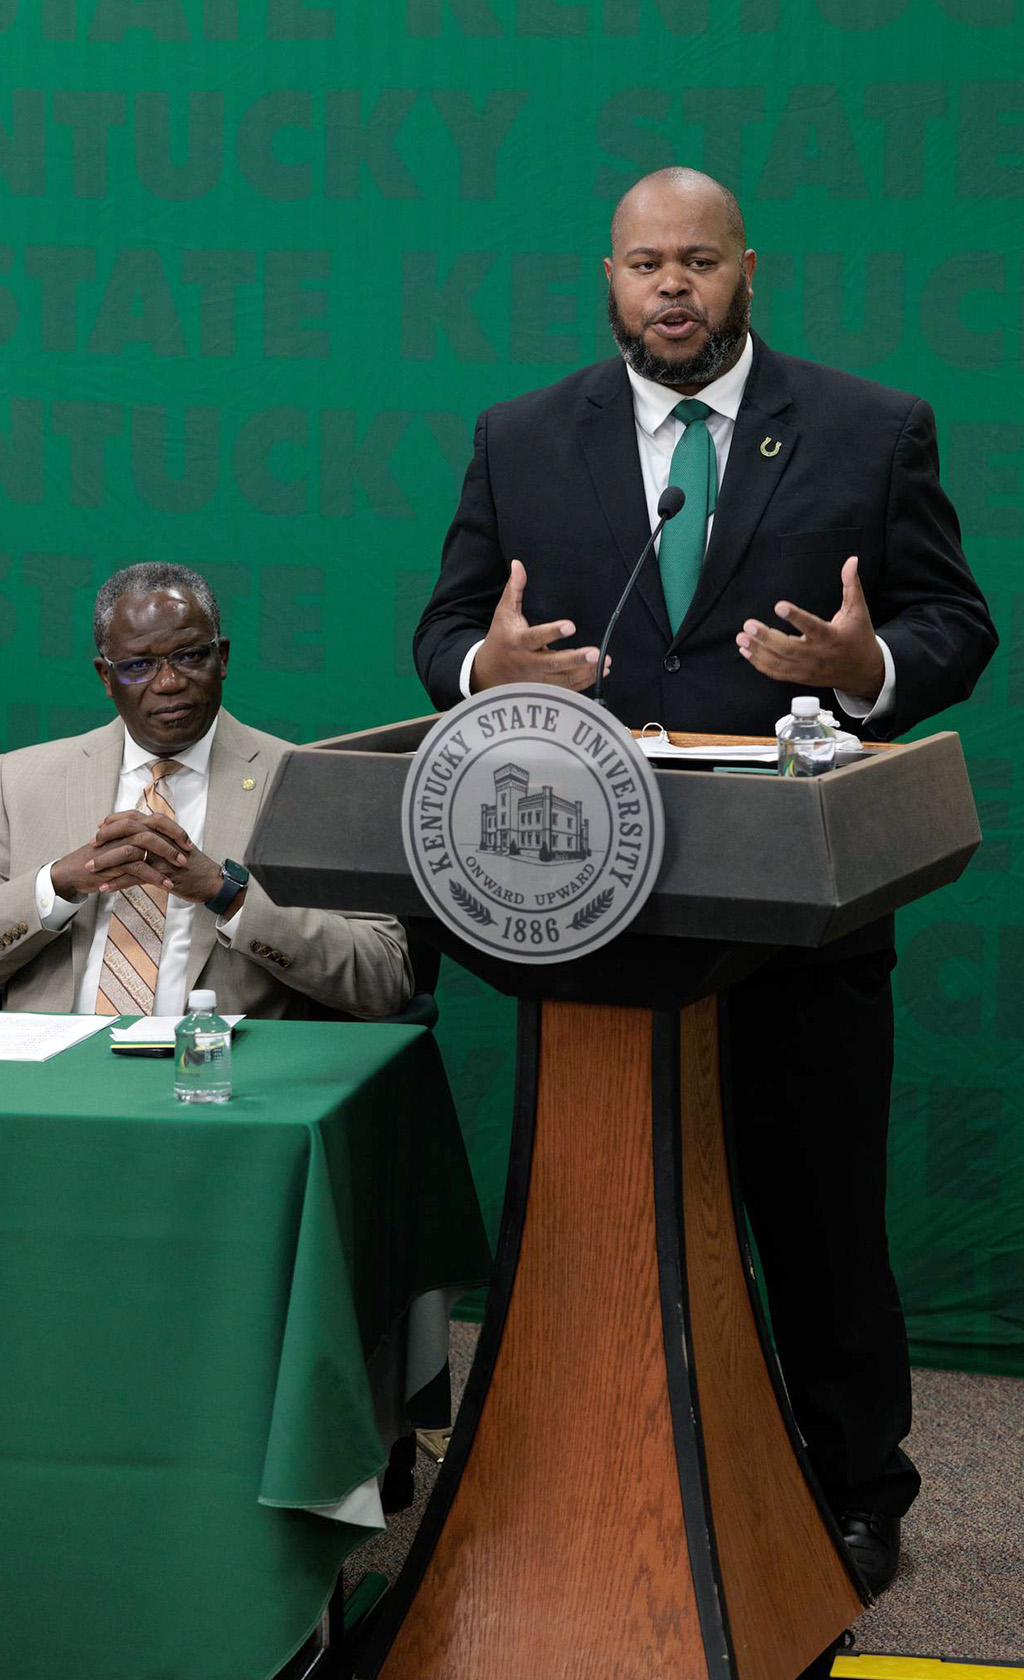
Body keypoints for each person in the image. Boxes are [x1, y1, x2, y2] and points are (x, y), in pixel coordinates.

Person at [413, 168, 997, 1593]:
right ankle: (586, 1477)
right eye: (644, 264)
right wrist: (493, 666)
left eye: (698, 261)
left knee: (818, 1220)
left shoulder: (869, 429)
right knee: (602, 1221)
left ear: (747, 271)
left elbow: (953, 622)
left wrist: (865, 666)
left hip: (798, 913)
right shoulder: (520, 437)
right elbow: (445, 633)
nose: (671, 286)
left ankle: (855, 1490)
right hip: (586, 911)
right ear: (608, 280)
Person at [0, 563, 412, 1020]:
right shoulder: (18, 781)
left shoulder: (307, 783)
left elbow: (384, 978)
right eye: (138, 666)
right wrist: (57, 884)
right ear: (105, 677)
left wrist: (225, 892)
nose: (169, 683)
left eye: (190, 656)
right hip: (48, 1061)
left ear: (223, 658)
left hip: (216, 1058)